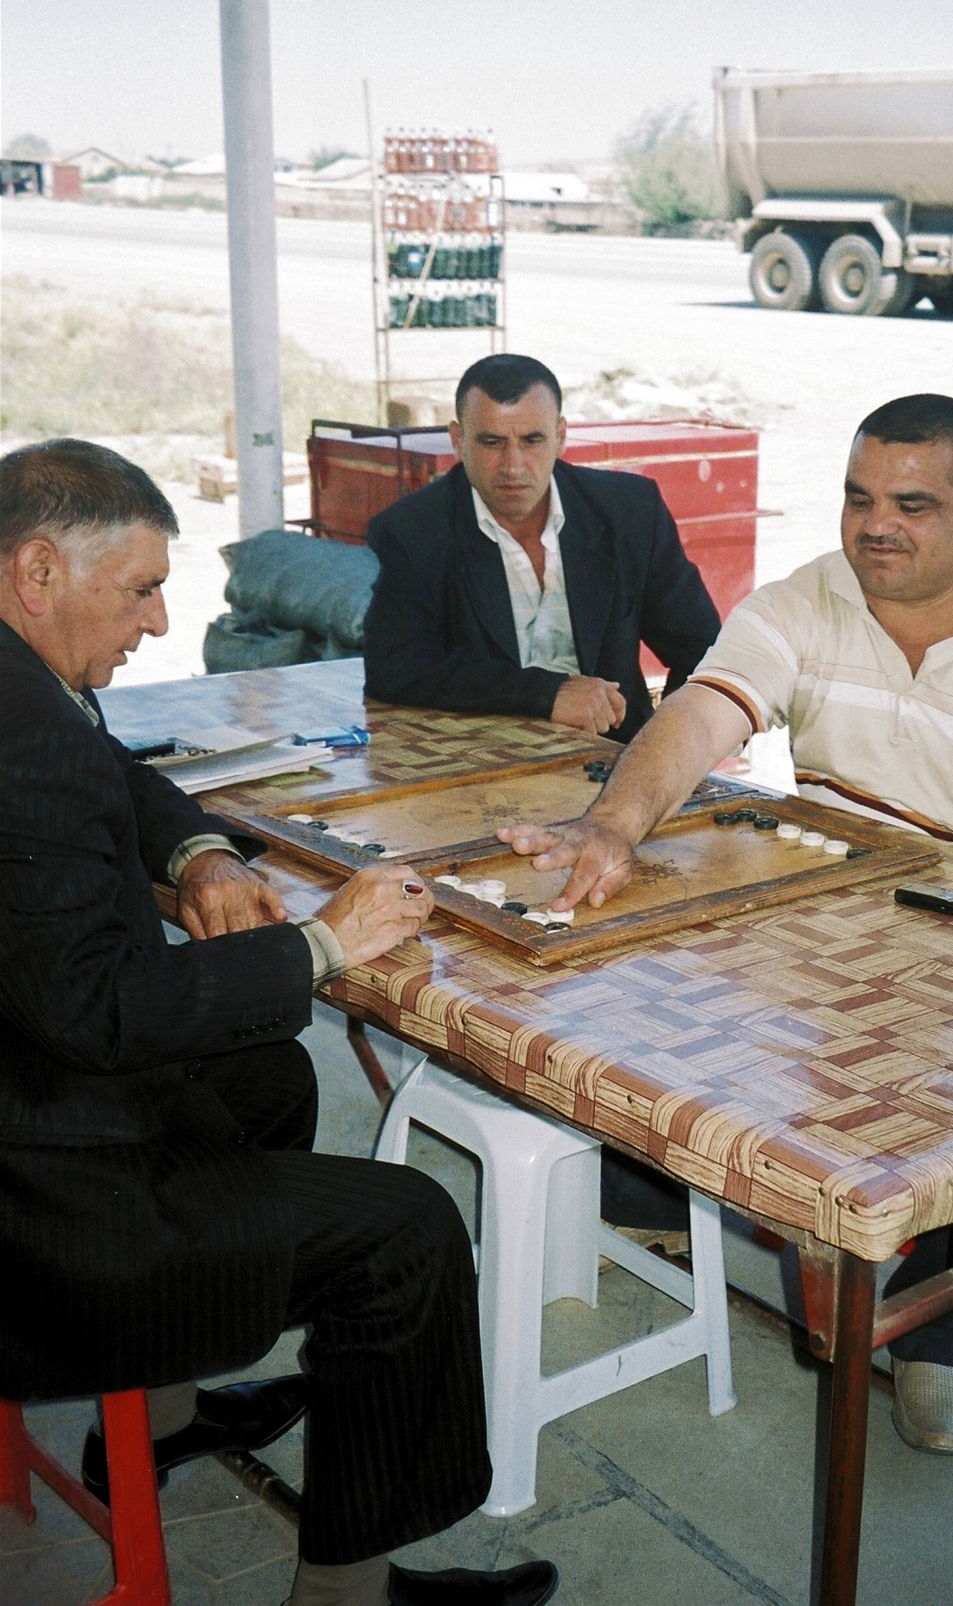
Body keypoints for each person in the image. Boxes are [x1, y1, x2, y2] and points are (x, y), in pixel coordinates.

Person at [496, 393, 953, 1457]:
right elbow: (700, 715)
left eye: (912, 505)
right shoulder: (802, 602)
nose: (876, 525)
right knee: (652, 1007)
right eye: (859, 498)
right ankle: (677, 1195)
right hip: (835, 909)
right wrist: (612, 824)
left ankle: (934, 1332)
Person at [0, 440, 558, 1606]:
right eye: (141, 589)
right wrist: (321, 945)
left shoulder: (28, 690)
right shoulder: (19, 747)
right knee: (404, 1234)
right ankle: (344, 1594)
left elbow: (117, 779)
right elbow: (101, 1010)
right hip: (48, 1212)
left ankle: (158, 1417)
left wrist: (199, 852)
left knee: (269, 1069)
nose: (158, 623)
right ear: (39, 570)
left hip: (33, 1103)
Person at [363, 353, 721, 744]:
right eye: (491, 442)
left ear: (561, 436)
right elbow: (395, 668)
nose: (513, 465)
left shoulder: (630, 512)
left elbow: (704, 649)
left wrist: (668, 747)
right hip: (488, 764)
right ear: (458, 440)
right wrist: (546, 694)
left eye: (532, 440)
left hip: (618, 756)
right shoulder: (413, 530)